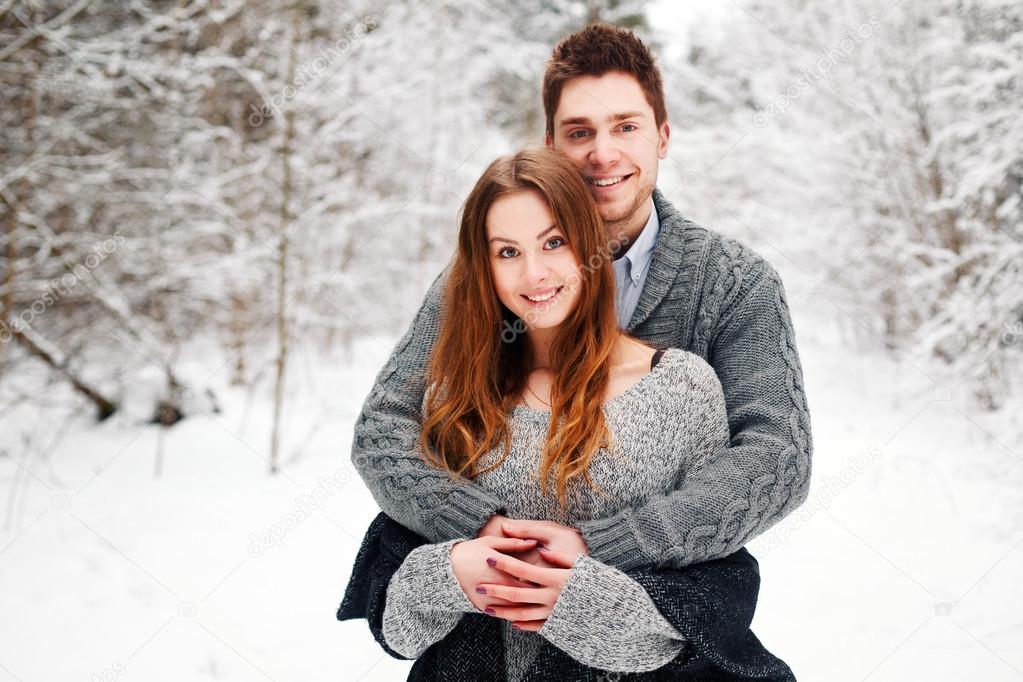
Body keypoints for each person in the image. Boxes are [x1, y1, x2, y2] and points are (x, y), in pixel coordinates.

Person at [350, 23, 811, 584]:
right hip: (495, 612)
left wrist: (600, 548)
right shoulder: (485, 276)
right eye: (578, 131)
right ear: (551, 145)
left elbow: (777, 459)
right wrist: (481, 525)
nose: (603, 152)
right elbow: (384, 424)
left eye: (625, 126)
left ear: (662, 136)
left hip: (666, 613)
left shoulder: (734, 283)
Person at [338, 148, 795, 680]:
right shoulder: (455, 396)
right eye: (507, 252)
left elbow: (712, 609)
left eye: (553, 243)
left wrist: (581, 601)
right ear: (481, 266)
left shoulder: (681, 389)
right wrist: (454, 572)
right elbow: (399, 622)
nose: (534, 274)